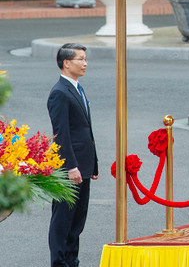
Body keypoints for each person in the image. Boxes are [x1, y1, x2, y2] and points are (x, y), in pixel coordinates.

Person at [48, 43, 98, 267]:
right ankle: (59, 262)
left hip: (83, 164)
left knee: (78, 219)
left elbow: (86, 130)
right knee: (63, 220)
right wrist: (71, 167)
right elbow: (62, 134)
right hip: (70, 167)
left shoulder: (78, 88)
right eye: (80, 59)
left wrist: (93, 164)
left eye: (85, 58)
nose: (85, 63)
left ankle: (72, 261)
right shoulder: (59, 93)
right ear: (67, 63)